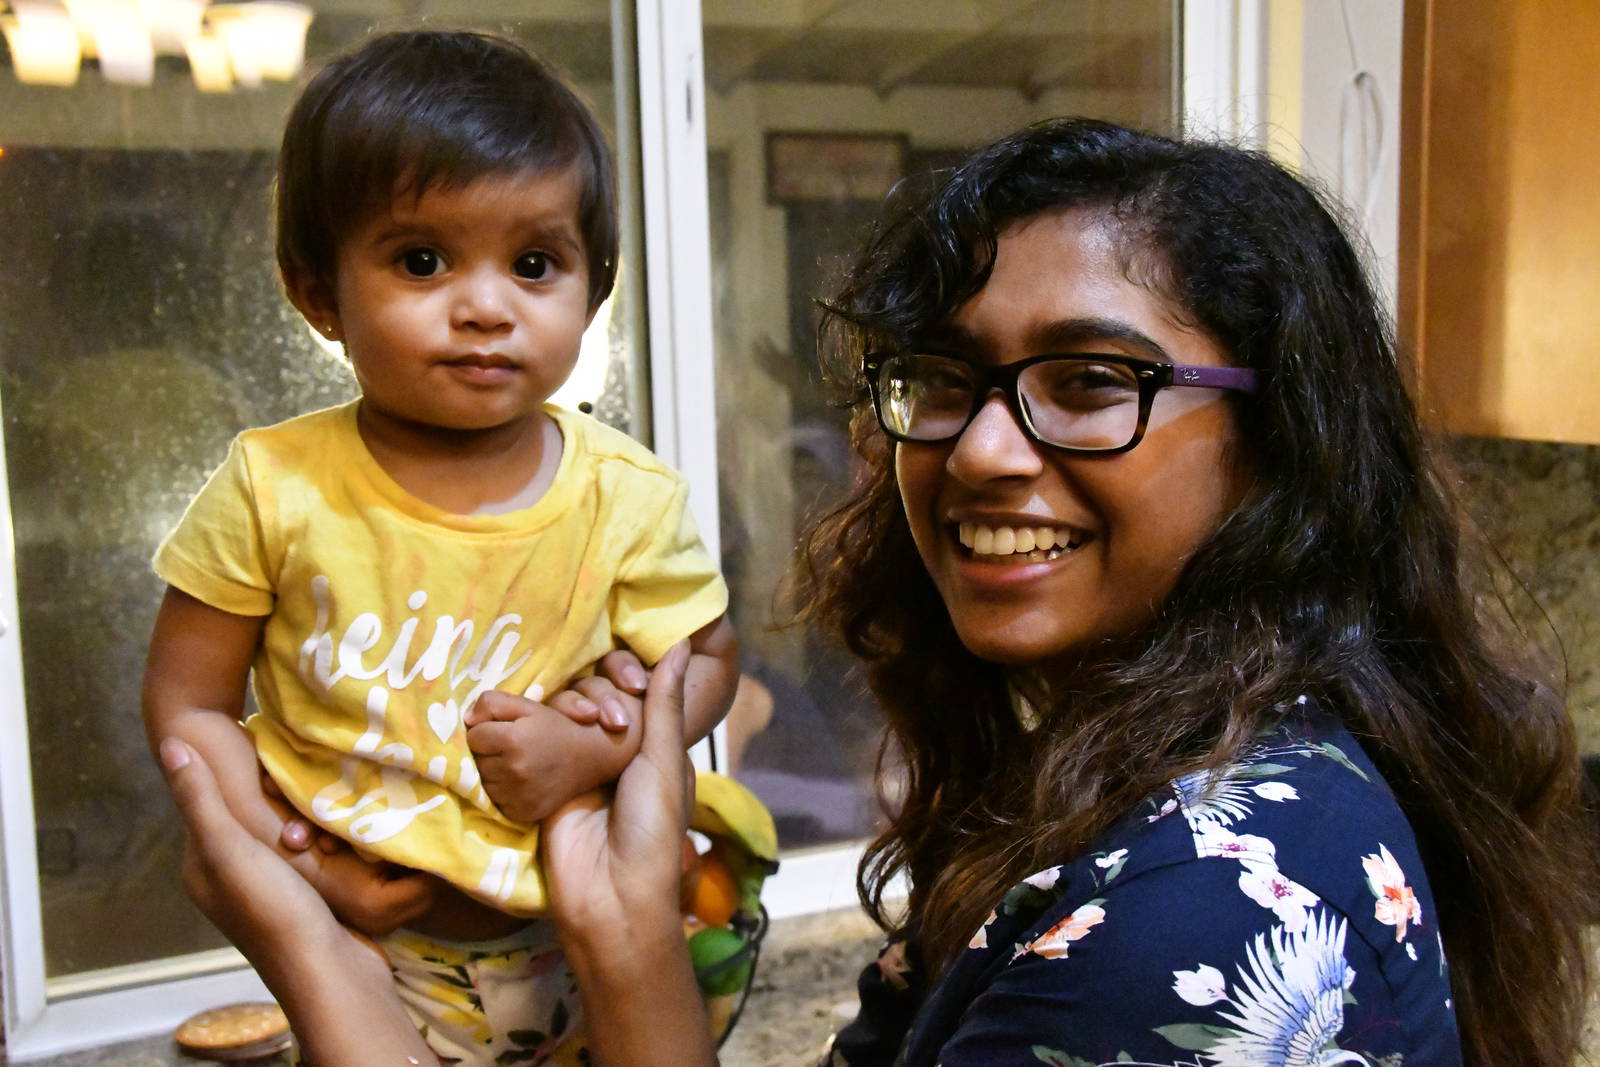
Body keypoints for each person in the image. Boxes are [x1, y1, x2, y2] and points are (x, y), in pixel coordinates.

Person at [165, 117, 1594, 1067]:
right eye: (945, 378)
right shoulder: (1137, 774)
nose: (979, 449)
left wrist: (311, 951)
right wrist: (620, 928)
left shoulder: (1200, 918)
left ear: (1277, 440)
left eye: (1090, 380)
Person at [142, 30, 738, 1066]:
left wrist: (593, 752)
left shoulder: (628, 498)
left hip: (587, 944)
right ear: (318, 293)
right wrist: (301, 865)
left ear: (593, 290)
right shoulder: (274, 486)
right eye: (422, 260)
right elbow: (189, 704)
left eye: (535, 264)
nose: (485, 307)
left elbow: (712, 662)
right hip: (368, 953)